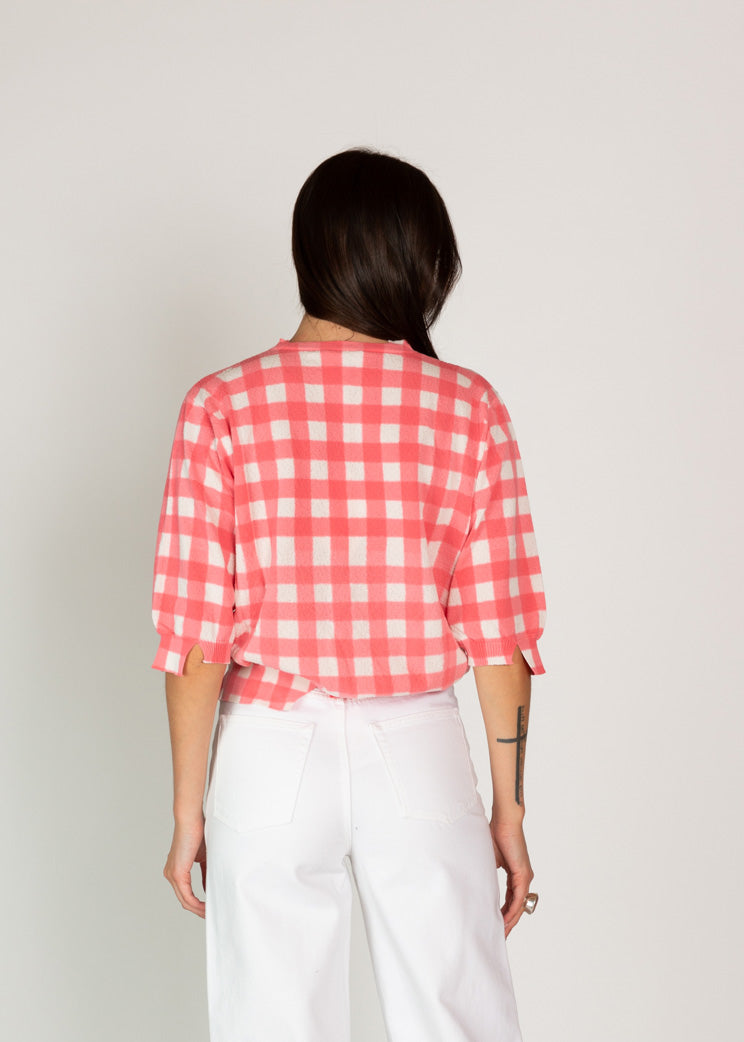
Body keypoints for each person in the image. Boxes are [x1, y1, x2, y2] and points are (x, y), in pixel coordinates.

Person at [151, 146, 547, 1042]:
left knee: (271, 1022)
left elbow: (197, 638)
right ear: (420, 262)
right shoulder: (468, 406)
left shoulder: (221, 405)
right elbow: (500, 635)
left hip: (268, 751)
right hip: (417, 747)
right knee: (457, 1019)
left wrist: (186, 809)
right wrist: (510, 810)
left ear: (309, 254)